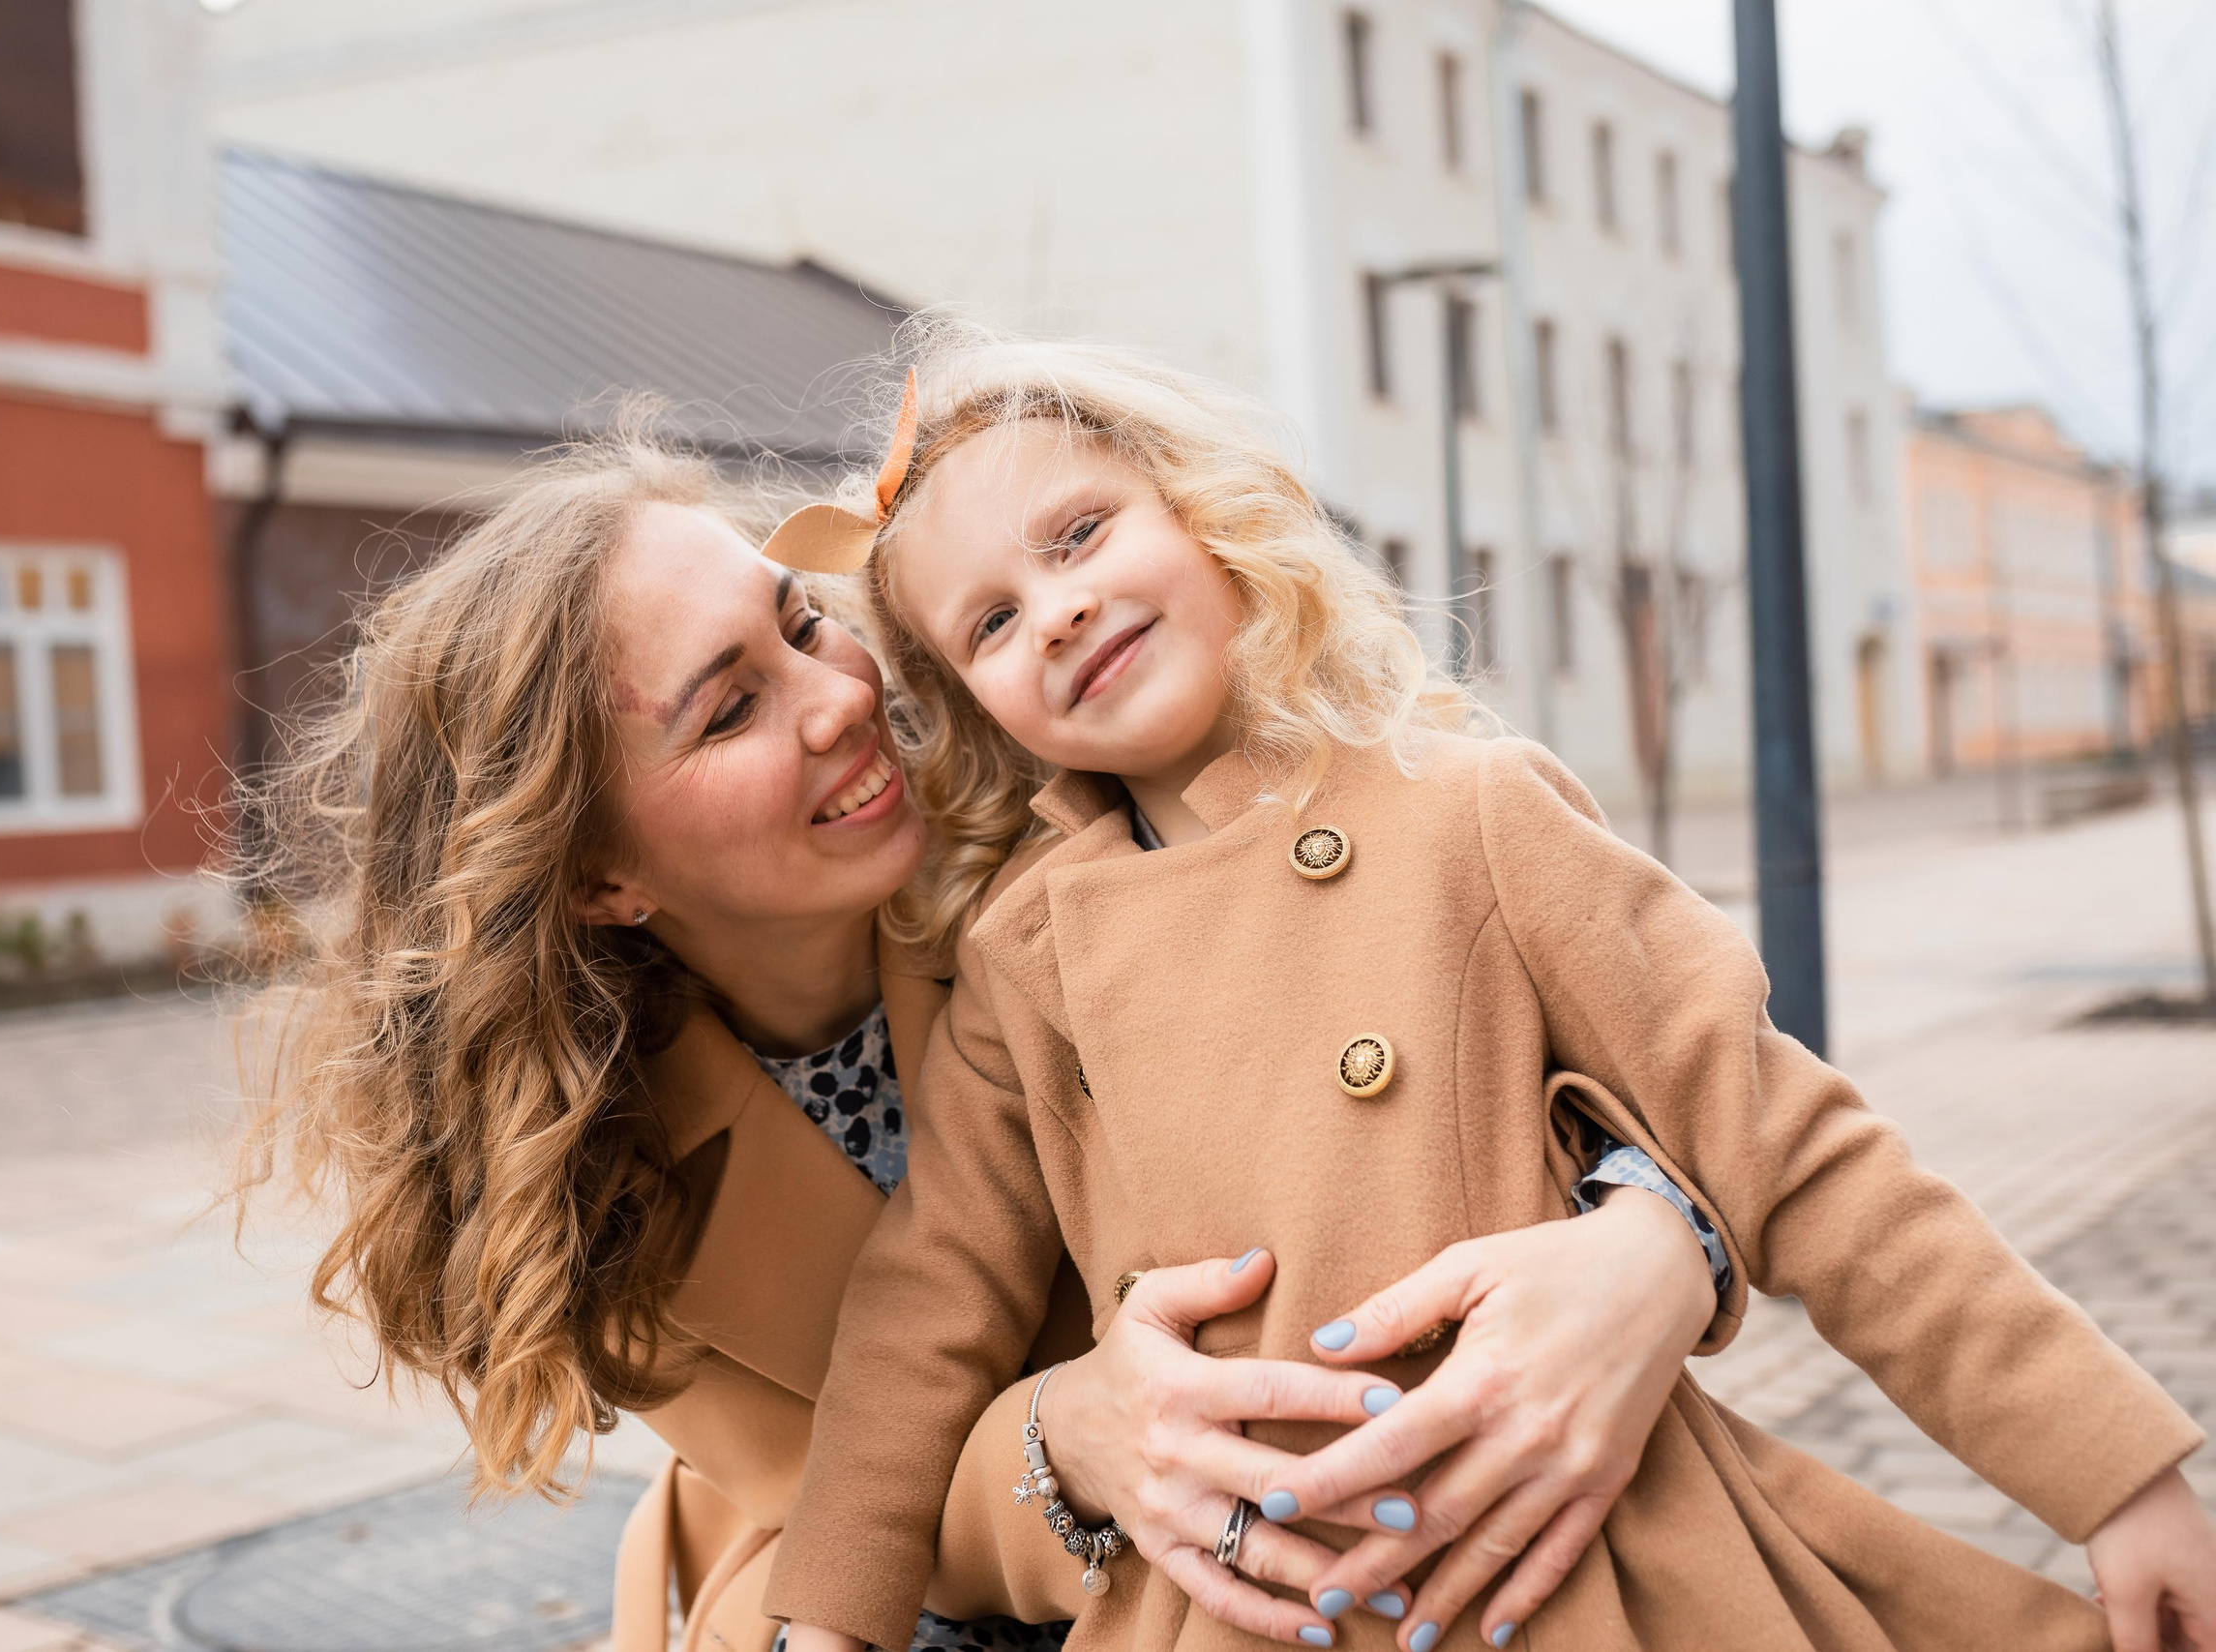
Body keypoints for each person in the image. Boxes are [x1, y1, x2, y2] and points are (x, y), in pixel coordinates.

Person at [758, 327, 2216, 1652]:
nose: (1059, 612)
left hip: (1574, 1571)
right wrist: (823, 1629)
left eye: (1080, 536)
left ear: (1205, 516)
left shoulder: (1470, 816)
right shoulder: (1029, 956)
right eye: (993, 623)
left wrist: (2114, 1478)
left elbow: (1802, 1155)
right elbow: (923, 1308)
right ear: (970, 705)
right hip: (1239, 1606)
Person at [230, 432, 1732, 1652]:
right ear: (603, 877)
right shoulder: (580, 1183)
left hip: (1354, 1540)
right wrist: (1067, 1444)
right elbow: (839, 1532)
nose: (838, 700)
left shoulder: (1065, 803)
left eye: (802, 621)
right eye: (730, 710)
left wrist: (1657, 1243)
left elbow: (1513, 983)